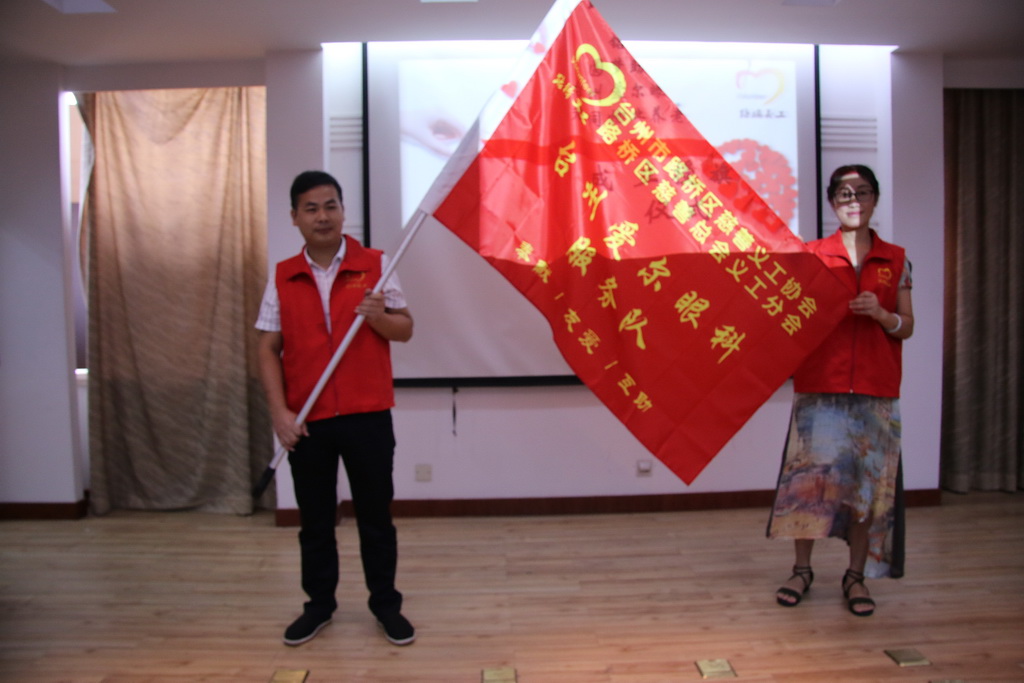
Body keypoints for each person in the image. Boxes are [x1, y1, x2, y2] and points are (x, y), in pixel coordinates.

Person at [255, 170, 416, 646]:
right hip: (308, 420)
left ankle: (385, 605)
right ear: (294, 217)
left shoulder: (377, 265)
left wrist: (379, 318)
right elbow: (267, 348)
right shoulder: (283, 275)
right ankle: (319, 605)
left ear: (344, 212)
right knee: (315, 522)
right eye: (311, 208)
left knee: (375, 519)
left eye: (330, 206)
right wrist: (280, 414)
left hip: (368, 415)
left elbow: (405, 329)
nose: (322, 216)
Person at [766, 164, 914, 617]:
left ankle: (855, 576)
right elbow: (790, 320)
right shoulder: (812, 256)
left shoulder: (896, 259)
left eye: (862, 192)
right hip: (821, 386)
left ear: (874, 199)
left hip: (876, 387)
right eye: (845, 193)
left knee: (866, 488)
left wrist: (882, 315)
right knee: (809, 486)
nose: (854, 200)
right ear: (833, 202)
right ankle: (802, 570)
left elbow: (907, 326)